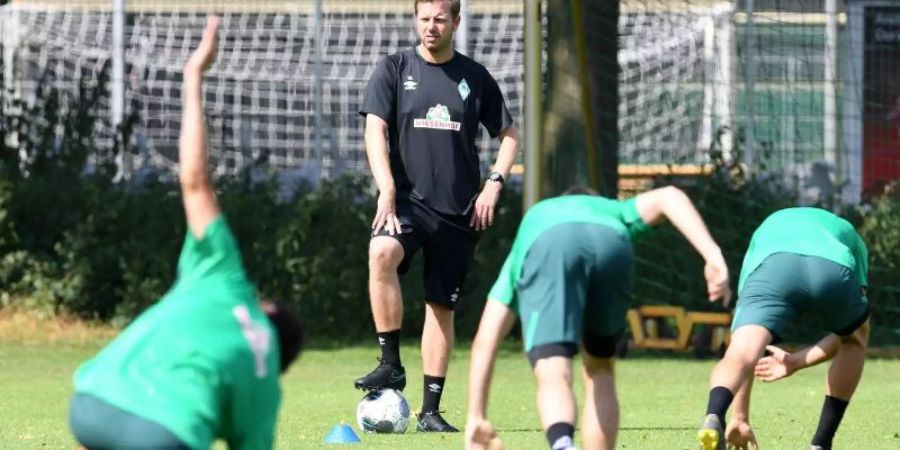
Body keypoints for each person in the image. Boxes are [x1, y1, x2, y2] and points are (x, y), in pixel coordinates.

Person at [68, 17, 304, 450]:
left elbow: (195, 180)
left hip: (93, 400)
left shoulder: (225, 278)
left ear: (263, 305)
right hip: (164, 430)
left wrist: (193, 76)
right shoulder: (264, 375)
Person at [355, 0, 519, 433]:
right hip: (407, 203)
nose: (431, 26)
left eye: (440, 19)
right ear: (416, 20)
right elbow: (375, 128)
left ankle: (429, 412)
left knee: (439, 307)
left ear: (455, 23)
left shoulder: (475, 77)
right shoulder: (394, 68)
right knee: (381, 252)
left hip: (459, 212)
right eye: (424, 18)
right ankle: (390, 363)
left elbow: (509, 135)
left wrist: (494, 183)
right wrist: (386, 188)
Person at [465, 186, 732, 450]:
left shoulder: (539, 216)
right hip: (612, 242)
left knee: (552, 366)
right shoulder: (613, 210)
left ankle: (562, 444)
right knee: (600, 367)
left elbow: (487, 336)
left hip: (551, 242)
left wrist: (476, 417)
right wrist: (712, 255)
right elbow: (669, 196)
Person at [697, 207, 870, 450]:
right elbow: (849, 333)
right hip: (832, 266)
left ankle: (715, 415)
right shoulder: (849, 233)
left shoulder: (766, 228)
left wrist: (740, 417)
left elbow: (742, 343)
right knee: (855, 338)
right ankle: (821, 443)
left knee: (743, 348)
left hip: (774, 264)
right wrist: (797, 361)